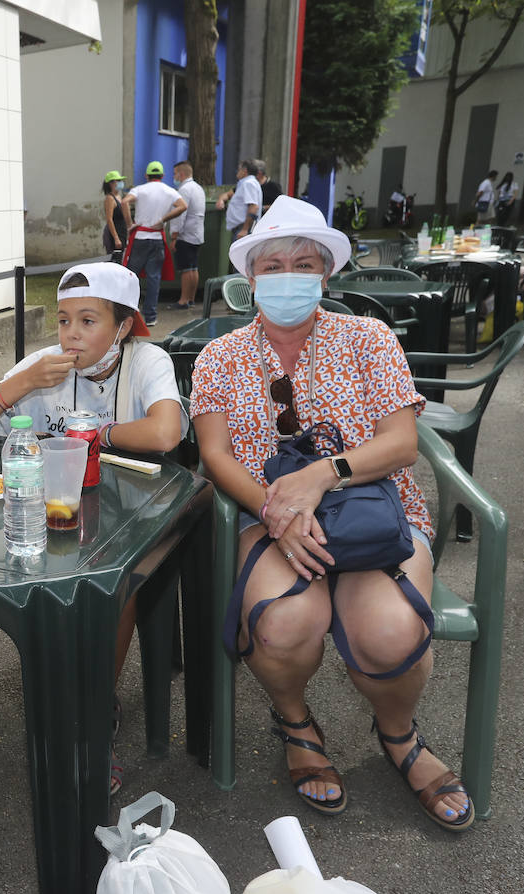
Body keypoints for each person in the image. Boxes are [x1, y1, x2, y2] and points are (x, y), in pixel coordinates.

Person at [190, 197, 474, 833]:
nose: (288, 274)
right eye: (274, 263)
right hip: (271, 519)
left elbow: (401, 443)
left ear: (325, 274)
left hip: (375, 510)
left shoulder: (368, 339)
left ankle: (399, 736)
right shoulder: (221, 357)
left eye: (303, 262)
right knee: (285, 623)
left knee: (390, 634)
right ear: (252, 277)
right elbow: (215, 455)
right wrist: (278, 507)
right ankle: (295, 719)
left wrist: (321, 474)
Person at [0, 260, 186, 795]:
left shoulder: (146, 360)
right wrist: (21, 383)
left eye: (89, 321)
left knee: (113, 583)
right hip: (51, 514)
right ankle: (59, 686)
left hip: (130, 514)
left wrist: (95, 434)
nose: (71, 334)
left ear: (122, 325)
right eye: (64, 319)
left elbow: (165, 432)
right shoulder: (42, 366)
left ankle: (93, 711)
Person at [121, 160, 187, 327]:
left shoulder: (139, 189)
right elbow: (183, 206)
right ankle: (150, 316)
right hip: (157, 238)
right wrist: (163, 220)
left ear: (146, 175)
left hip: (140, 238)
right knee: (154, 278)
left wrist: (129, 224)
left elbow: (124, 202)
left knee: (129, 276)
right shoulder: (169, 191)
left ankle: (126, 314)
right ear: (163, 176)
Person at [169, 161, 206, 311]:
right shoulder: (198, 188)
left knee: (185, 269)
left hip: (185, 235)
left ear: (181, 174)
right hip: (197, 234)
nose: (174, 177)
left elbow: (180, 215)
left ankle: (183, 300)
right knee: (193, 268)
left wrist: (174, 236)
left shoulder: (184, 190)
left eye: (175, 174)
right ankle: (191, 298)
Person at [217, 159, 263, 246]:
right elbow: (227, 194)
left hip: (243, 227)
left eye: (238, 169)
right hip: (240, 227)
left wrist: (245, 229)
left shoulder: (248, 184)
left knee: (239, 257)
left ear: (244, 171)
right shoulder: (244, 184)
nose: (237, 172)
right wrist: (221, 200)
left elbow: (253, 206)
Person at [101, 170, 131, 259]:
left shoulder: (120, 197)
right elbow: (109, 219)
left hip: (122, 232)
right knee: (115, 259)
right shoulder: (110, 199)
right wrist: (116, 238)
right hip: (115, 234)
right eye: (117, 181)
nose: (120, 183)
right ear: (111, 183)